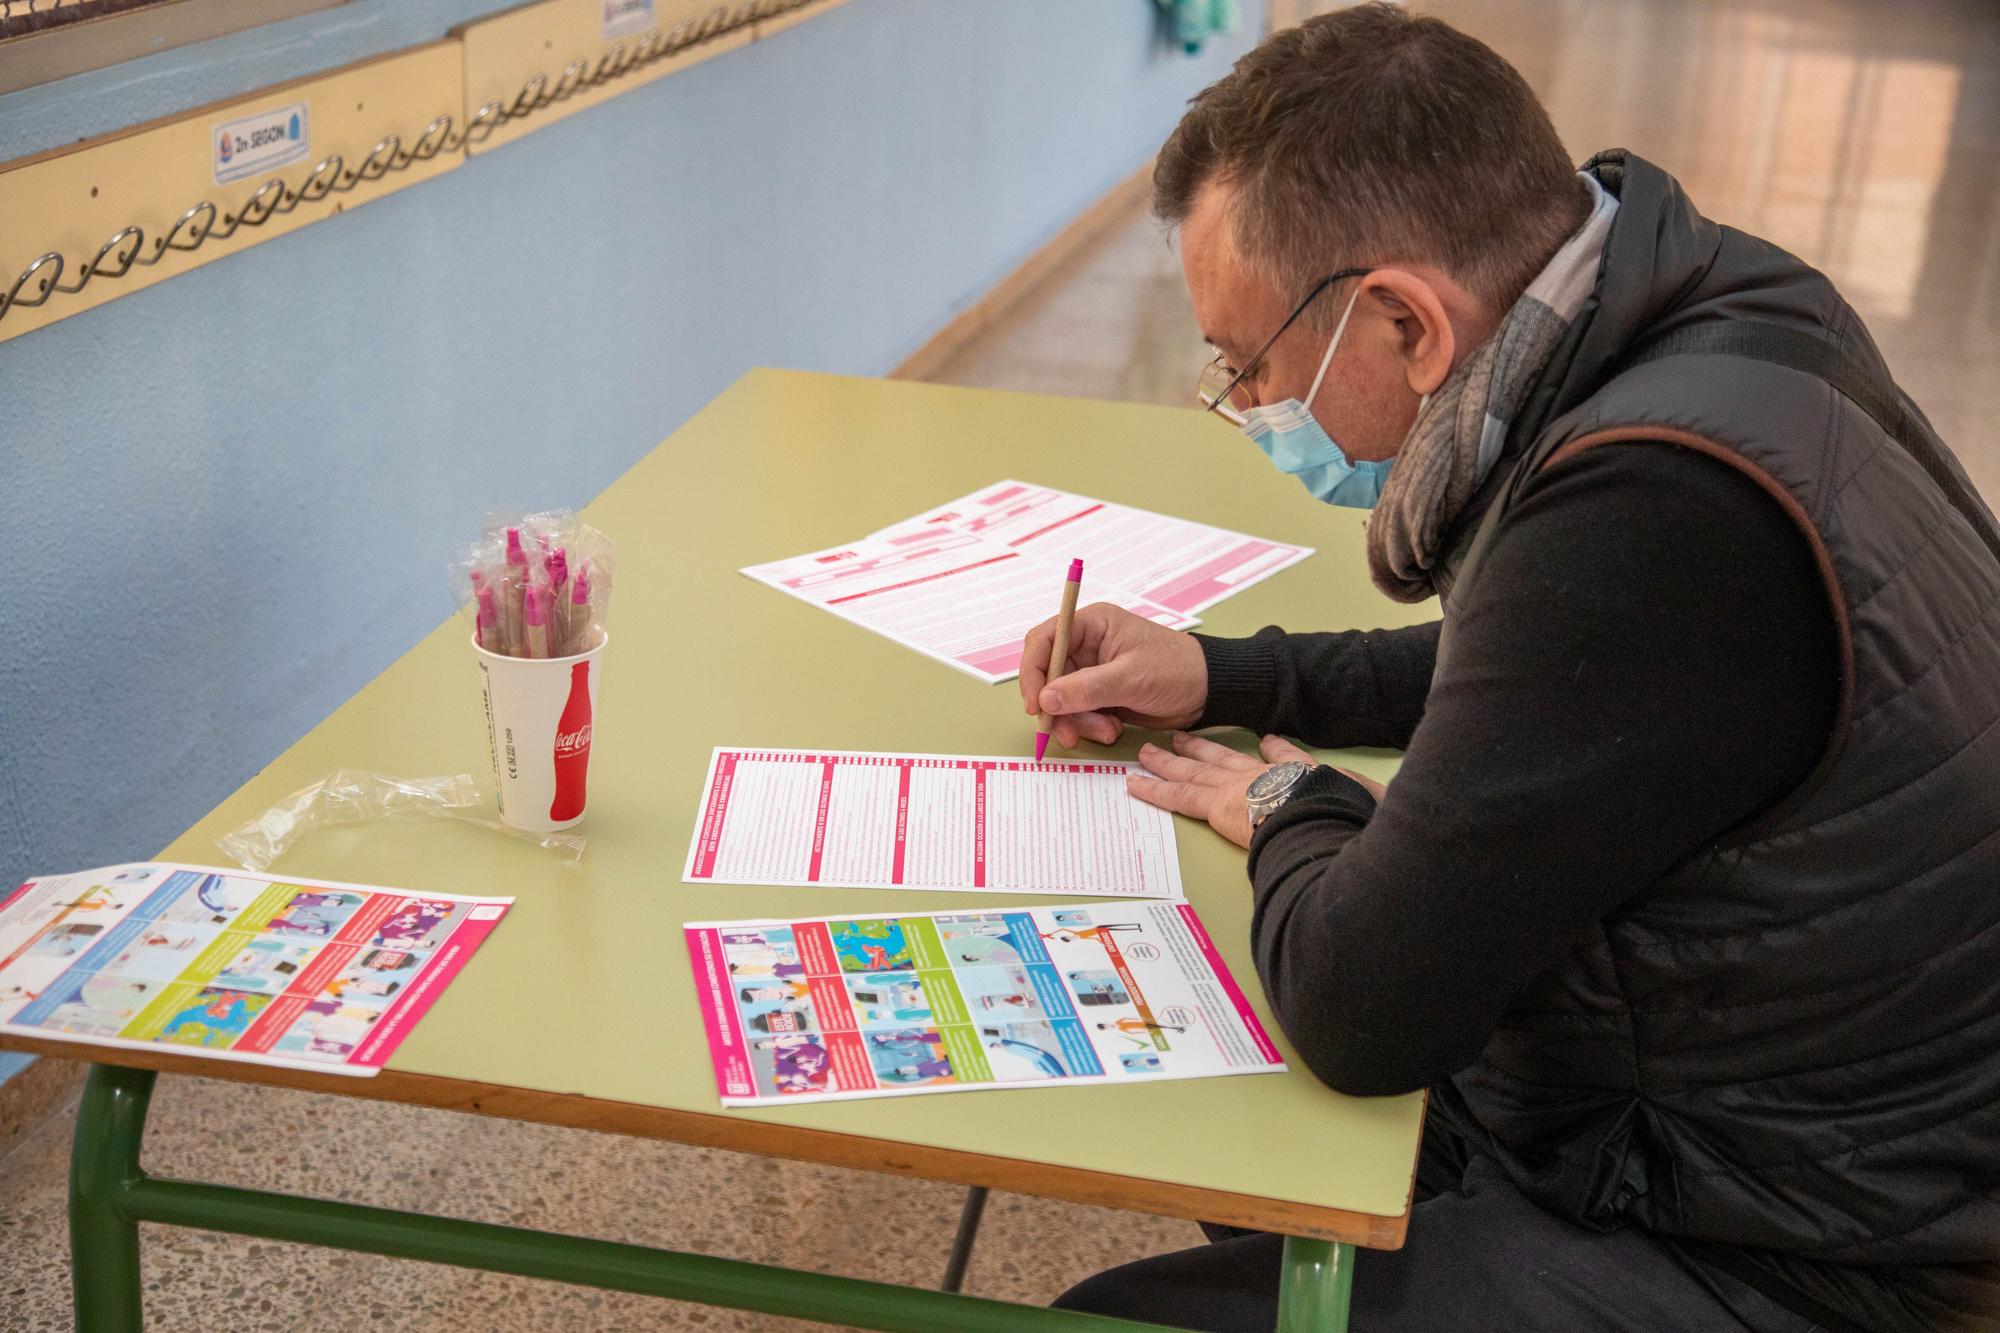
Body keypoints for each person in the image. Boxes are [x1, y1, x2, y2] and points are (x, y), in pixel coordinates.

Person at [1023, 8, 2000, 1332]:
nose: (1242, 402)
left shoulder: (1648, 515)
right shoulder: (1710, 313)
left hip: (1805, 1239)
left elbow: (1362, 1009)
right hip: (1797, 1116)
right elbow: (1549, 676)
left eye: (1248, 367)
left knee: (1120, 1299)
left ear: (1404, 325)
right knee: (1252, 1122)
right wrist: (1221, 672)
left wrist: (1292, 814)